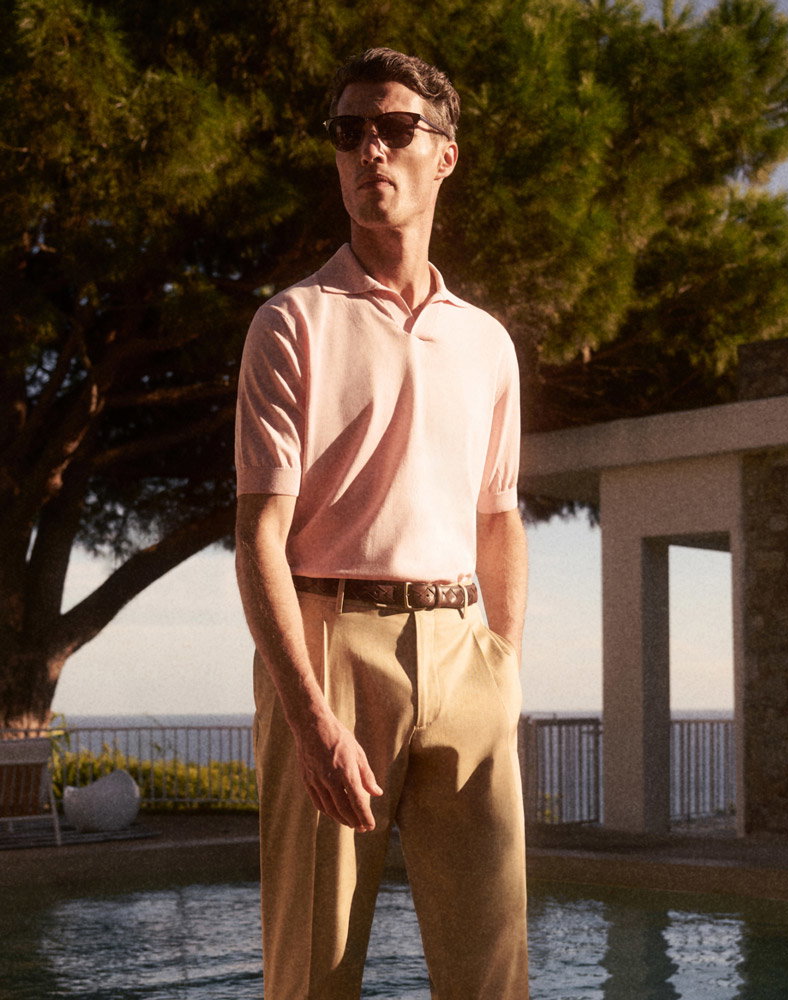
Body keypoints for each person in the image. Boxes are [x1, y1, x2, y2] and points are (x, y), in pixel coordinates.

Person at [235, 46, 529, 1000]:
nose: (370, 149)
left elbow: (501, 517)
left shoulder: (485, 341)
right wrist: (309, 714)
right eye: (349, 131)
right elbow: (259, 540)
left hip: (464, 652)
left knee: (493, 973)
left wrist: (502, 665)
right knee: (311, 974)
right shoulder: (292, 324)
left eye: (394, 128)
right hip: (331, 648)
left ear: (444, 154)